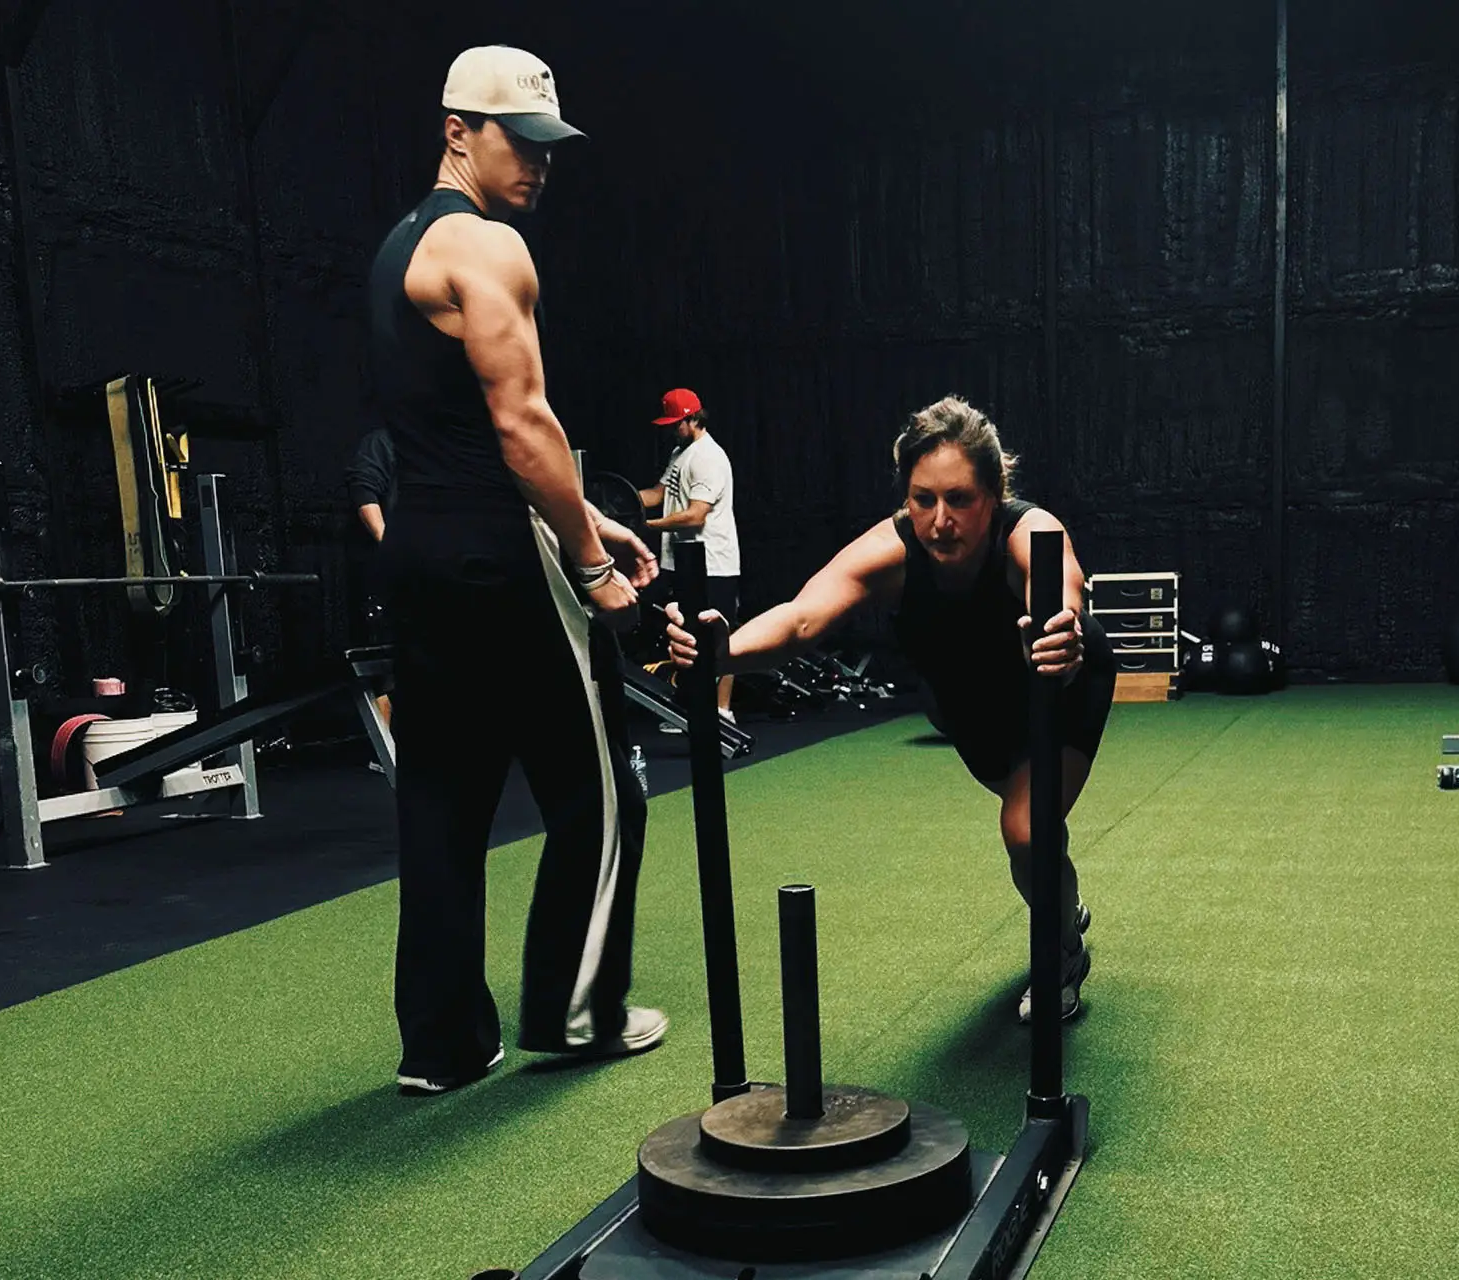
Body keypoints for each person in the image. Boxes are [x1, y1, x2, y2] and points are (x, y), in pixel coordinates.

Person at [368, 44, 666, 1096]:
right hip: (504, 553)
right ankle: (576, 1013)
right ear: (459, 131)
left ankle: (444, 1046)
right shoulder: (489, 250)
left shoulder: (398, 250)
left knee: (442, 802)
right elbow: (519, 419)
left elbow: (456, 430)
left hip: (423, 549)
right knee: (605, 791)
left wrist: (590, 513)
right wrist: (593, 565)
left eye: (549, 145)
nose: (540, 163)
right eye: (519, 141)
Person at [665, 396, 1113, 1023]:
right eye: (922, 499)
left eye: (959, 499)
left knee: (1027, 831)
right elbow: (801, 619)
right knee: (1032, 843)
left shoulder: (1028, 529)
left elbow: (1058, 580)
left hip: (1056, 682)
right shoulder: (892, 550)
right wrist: (724, 650)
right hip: (972, 702)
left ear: (993, 493)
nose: (939, 520)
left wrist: (1056, 629)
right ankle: (1063, 902)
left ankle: (1062, 948)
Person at [638, 388, 741, 726]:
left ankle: (722, 711)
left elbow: (696, 515)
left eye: (676, 423)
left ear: (693, 418)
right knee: (686, 636)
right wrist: (610, 502)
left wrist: (646, 525)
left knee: (719, 638)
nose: (671, 429)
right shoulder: (680, 453)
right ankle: (695, 707)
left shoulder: (708, 457)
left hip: (713, 563)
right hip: (681, 562)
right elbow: (657, 494)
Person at [345, 424, 397, 729]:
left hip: (435, 571)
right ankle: (386, 752)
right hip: (389, 571)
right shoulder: (381, 442)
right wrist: (389, 545)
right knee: (384, 670)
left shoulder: (440, 446)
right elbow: (364, 490)